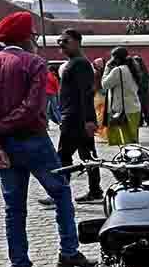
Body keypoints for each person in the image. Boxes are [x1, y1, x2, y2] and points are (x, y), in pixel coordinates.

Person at [0, 11, 95, 267]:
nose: (36, 42)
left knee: (14, 210)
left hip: (4, 149)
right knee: (61, 193)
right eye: (34, 36)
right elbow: (32, 109)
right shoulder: (34, 63)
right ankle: (69, 250)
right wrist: (0, 129)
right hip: (34, 142)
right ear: (25, 38)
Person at [56, 29, 103, 202]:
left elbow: (86, 93)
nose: (61, 44)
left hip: (76, 118)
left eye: (65, 41)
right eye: (59, 41)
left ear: (77, 42)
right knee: (88, 155)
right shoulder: (76, 62)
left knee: (63, 156)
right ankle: (95, 190)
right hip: (76, 117)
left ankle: (60, 193)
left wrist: (89, 120)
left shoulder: (80, 64)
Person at [102, 47, 142, 146]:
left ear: (116, 59)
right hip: (134, 109)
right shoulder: (133, 68)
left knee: (126, 143)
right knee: (133, 141)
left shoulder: (118, 70)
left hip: (122, 112)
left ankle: (129, 160)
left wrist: (107, 68)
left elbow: (105, 85)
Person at [132, 55, 149, 126]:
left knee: (144, 106)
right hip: (137, 91)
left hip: (143, 91)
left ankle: (147, 120)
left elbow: (146, 80)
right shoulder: (135, 70)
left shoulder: (143, 71)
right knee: (139, 107)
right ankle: (141, 121)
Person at [92, 58, 108, 143]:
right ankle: (104, 134)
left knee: (99, 115)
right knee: (103, 115)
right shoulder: (106, 73)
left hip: (98, 96)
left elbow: (95, 86)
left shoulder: (95, 73)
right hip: (105, 96)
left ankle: (101, 134)